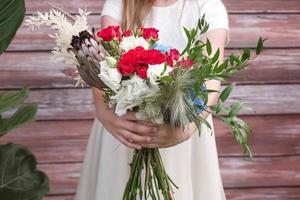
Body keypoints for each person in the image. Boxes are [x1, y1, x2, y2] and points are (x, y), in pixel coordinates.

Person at [75, 0, 229, 199]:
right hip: (124, 127)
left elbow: (210, 82)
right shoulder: (120, 4)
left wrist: (185, 131)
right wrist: (104, 113)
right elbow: (101, 68)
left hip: (181, 125)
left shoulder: (207, 7)